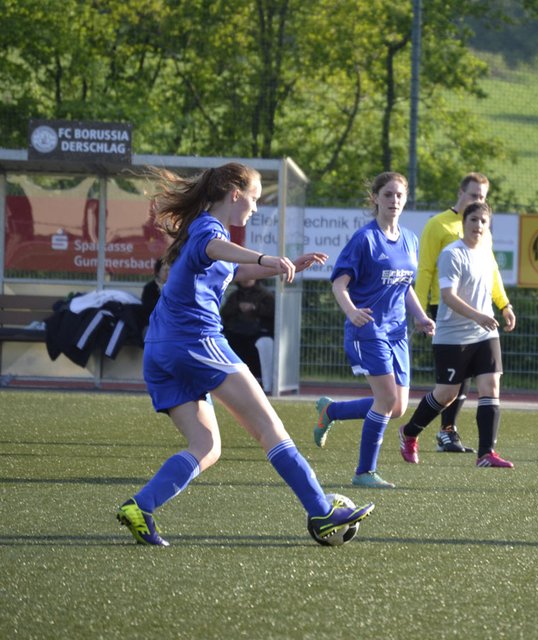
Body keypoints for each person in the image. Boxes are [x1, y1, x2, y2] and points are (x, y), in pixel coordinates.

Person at [116, 162, 372, 546]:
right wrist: (265, 257)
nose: (254, 207)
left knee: (206, 447)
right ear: (234, 193)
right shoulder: (208, 227)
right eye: (253, 198)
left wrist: (284, 267)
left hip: (162, 349)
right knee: (270, 429)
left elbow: (226, 271)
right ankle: (321, 512)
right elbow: (213, 247)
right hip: (195, 342)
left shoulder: (202, 230)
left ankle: (141, 506)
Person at [313, 172, 435, 489]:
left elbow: (405, 286)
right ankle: (364, 472)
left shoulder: (410, 239)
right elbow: (340, 284)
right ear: (375, 199)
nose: (394, 201)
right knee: (385, 399)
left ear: (405, 199)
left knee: (396, 407)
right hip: (368, 328)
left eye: (399, 195)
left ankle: (331, 411)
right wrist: (351, 311)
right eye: (387, 195)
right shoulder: (364, 239)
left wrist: (421, 317)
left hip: (397, 332)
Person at [399, 201, 516, 468]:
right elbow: (447, 296)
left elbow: (495, 281)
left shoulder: (486, 252)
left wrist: (505, 307)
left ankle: (486, 454)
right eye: (473, 220)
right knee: (446, 394)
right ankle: (409, 433)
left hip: (484, 334)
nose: (478, 226)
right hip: (452, 335)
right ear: (464, 223)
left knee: (491, 385)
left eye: (483, 222)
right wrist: (478, 315)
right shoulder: (452, 254)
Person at [222, 278, 275, 392]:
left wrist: (254, 308)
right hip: (236, 331)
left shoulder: (266, 295)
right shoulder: (235, 296)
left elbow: (272, 313)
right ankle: (234, 380)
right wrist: (238, 307)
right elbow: (225, 313)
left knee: (255, 346)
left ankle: (258, 379)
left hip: (257, 332)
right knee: (230, 343)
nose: (246, 279)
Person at [139, 258, 170, 331]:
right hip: (152, 323)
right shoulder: (149, 287)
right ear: (158, 272)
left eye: (169, 270)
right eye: (165, 270)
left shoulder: (173, 287)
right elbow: (147, 308)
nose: (168, 273)